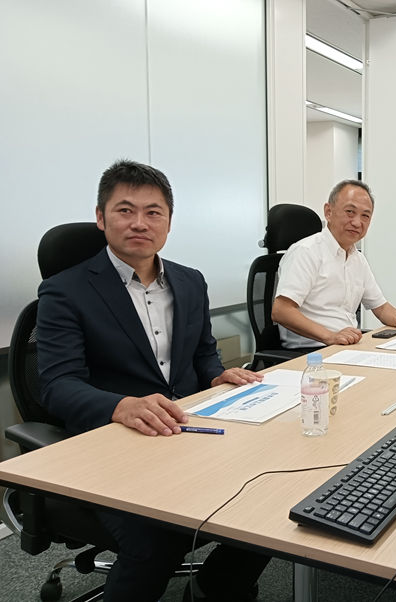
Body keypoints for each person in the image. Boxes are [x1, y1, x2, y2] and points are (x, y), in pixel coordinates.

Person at [37, 160, 269, 601]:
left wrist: (217, 374)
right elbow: (57, 385)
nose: (140, 223)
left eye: (153, 212)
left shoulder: (190, 281)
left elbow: (202, 353)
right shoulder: (65, 291)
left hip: (184, 430)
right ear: (101, 218)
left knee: (266, 493)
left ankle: (211, 589)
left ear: (168, 222)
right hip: (114, 443)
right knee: (156, 539)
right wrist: (120, 405)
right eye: (125, 210)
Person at [272, 180, 396, 349]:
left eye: (365, 216)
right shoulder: (306, 252)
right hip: (312, 351)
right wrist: (330, 337)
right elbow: (281, 311)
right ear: (328, 212)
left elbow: (380, 308)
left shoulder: (357, 258)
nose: (357, 223)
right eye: (350, 212)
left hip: (347, 345)